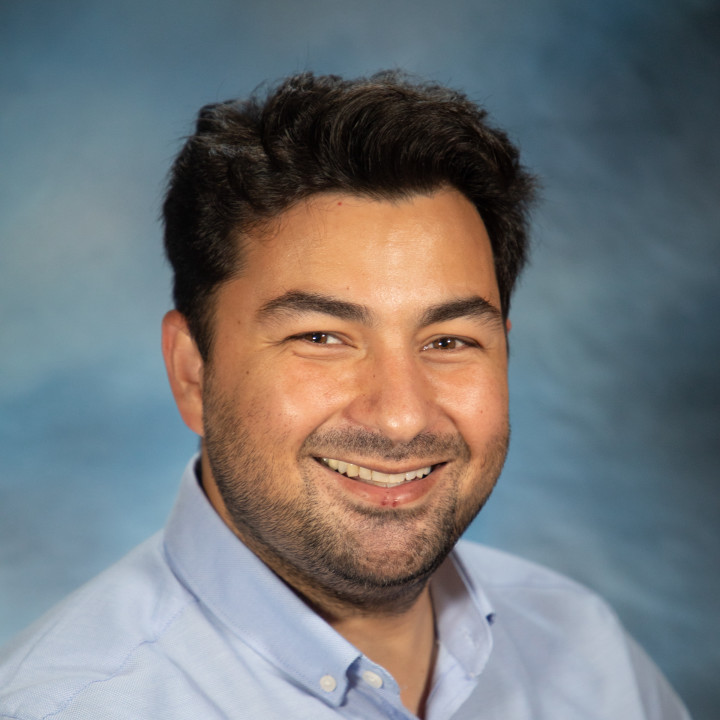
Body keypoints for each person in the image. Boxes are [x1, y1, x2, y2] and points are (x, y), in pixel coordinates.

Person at [0, 71, 690, 720]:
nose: (401, 417)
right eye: (322, 337)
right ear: (191, 373)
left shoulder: (590, 656)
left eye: (449, 340)